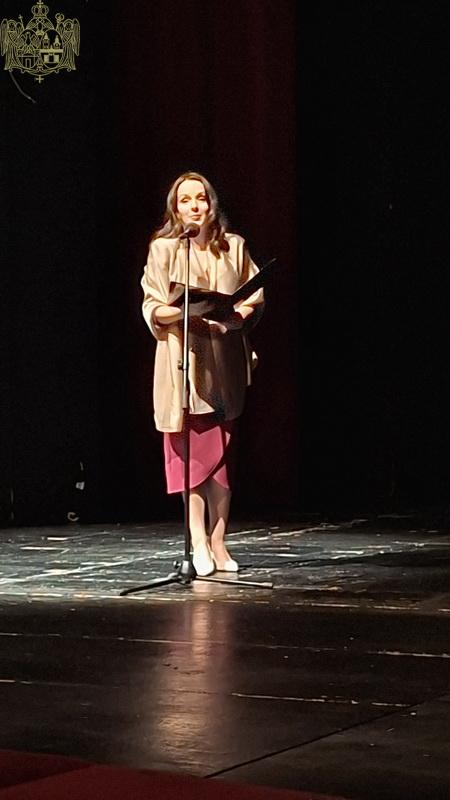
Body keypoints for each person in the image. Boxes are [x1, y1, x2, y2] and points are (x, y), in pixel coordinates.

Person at [141, 171, 264, 577]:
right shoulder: (164, 249)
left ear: (212, 204)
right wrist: (187, 314)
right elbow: (152, 305)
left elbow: (253, 296)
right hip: (182, 361)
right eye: (185, 200)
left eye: (201, 198)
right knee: (191, 456)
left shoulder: (234, 246)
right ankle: (197, 539)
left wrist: (234, 318)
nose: (194, 206)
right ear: (175, 209)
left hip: (223, 360)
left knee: (221, 457)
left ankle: (219, 539)